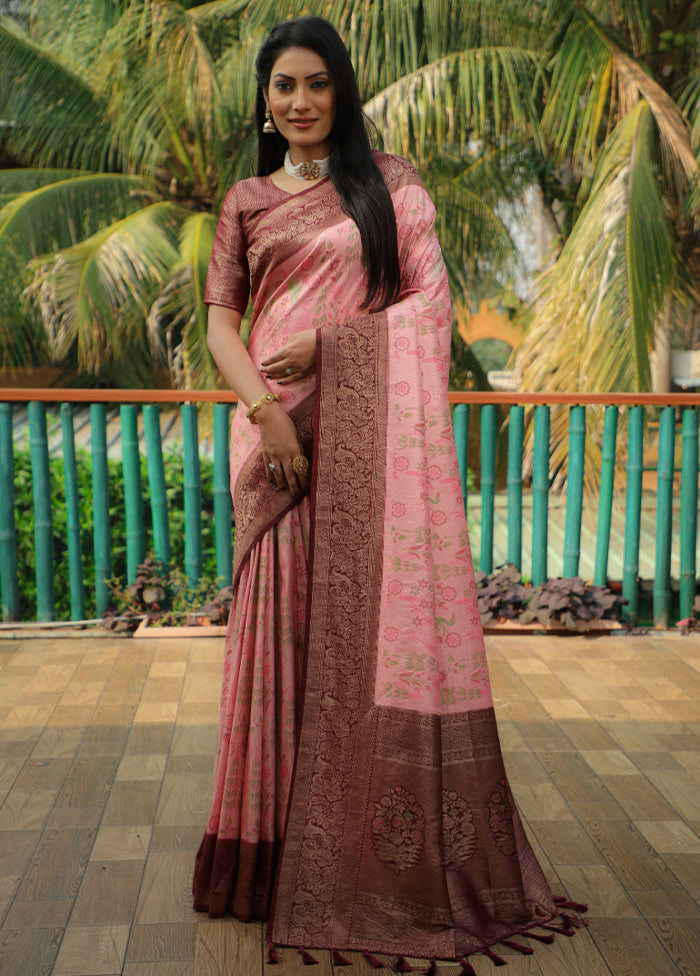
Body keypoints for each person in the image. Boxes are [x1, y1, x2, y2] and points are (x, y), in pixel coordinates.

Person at [193, 15, 584, 970]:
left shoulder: (393, 186)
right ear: (264, 98)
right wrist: (268, 414)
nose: (300, 102)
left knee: (364, 648)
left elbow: (429, 308)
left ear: (344, 91)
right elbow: (219, 326)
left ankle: (359, 859)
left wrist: (332, 349)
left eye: (317, 84)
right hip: (276, 443)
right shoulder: (245, 200)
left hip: (373, 449)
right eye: (283, 86)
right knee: (277, 646)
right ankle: (264, 857)